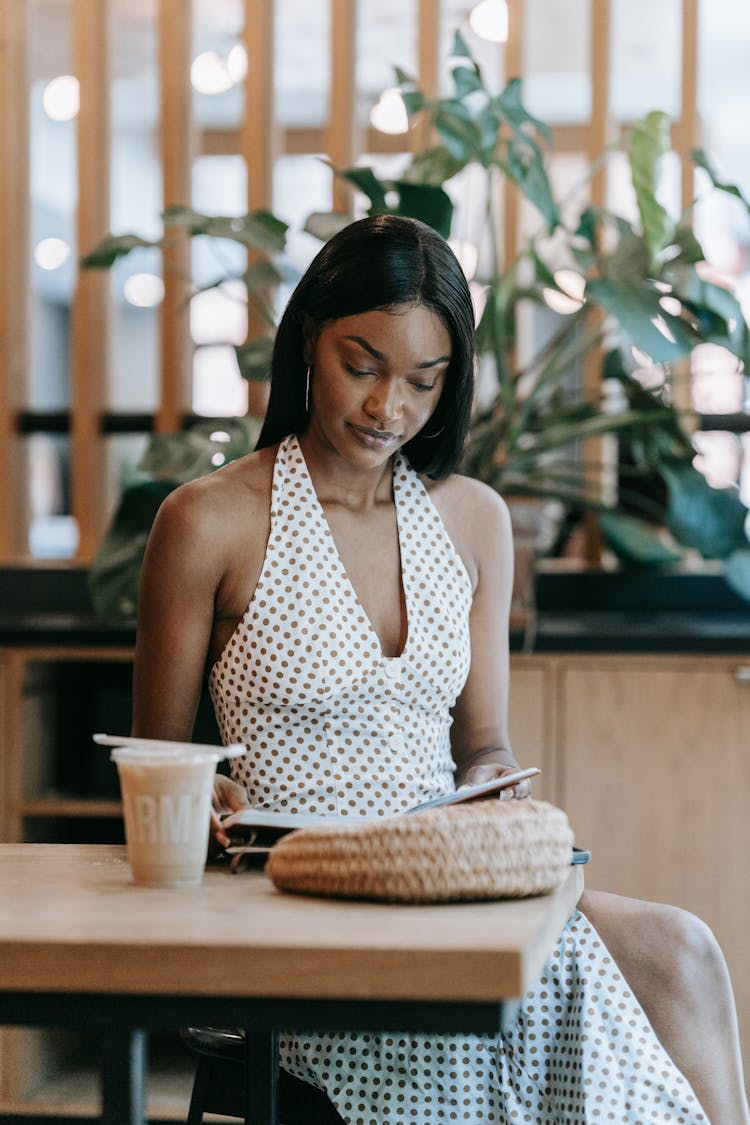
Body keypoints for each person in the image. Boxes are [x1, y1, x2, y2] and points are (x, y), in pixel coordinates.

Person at [132, 214, 749, 1124]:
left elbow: (485, 743)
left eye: (424, 380)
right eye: (363, 363)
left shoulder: (472, 519)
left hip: (444, 882)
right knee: (487, 1016)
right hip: (295, 896)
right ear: (311, 336)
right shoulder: (209, 519)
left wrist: (494, 785)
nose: (390, 408)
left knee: (683, 951)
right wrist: (201, 796)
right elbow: (154, 762)